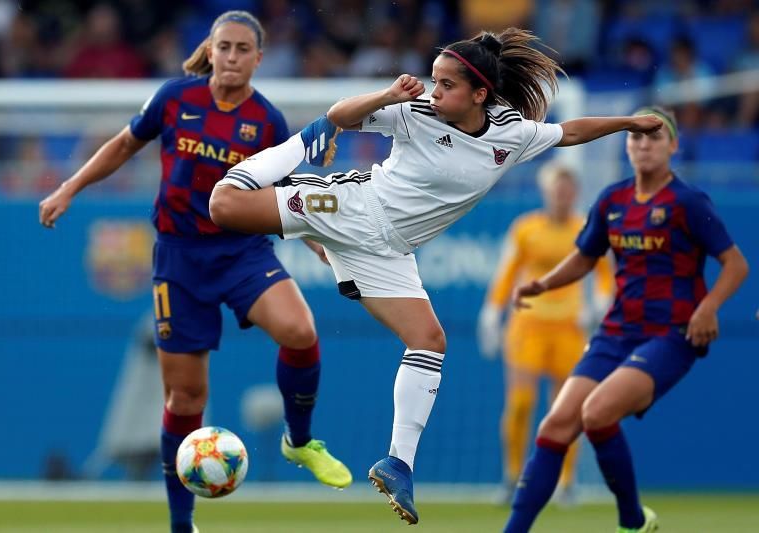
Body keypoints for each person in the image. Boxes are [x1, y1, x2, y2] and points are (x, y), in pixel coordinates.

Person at [208, 28, 664, 525]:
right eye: (433, 80)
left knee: (429, 340)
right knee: (224, 204)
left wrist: (629, 123)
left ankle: (398, 463)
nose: (434, 91)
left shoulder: (512, 135)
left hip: (391, 252)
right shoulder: (413, 111)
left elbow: (571, 131)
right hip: (352, 208)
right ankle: (297, 176)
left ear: (480, 94)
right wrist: (388, 94)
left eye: (446, 84)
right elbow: (340, 117)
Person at [38, 11, 351, 533]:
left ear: (257, 57)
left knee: (300, 331)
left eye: (241, 49)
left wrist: (317, 237)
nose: (231, 57)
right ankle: (181, 522)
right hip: (180, 260)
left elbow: (285, 189)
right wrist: (69, 187)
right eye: (223, 46)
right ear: (210, 49)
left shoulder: (267, 121)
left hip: (242, 254)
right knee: (186, 399)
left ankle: (298, 442)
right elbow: (122, 145)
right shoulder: (174, 99)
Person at [502, 106, 749, 533]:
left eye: (655, 136)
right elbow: (584, 257)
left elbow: (736, 264)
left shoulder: (687, 202)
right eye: (637, 136)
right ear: (626, 145)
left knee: (596, 413)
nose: (644, 143)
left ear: (673, 145)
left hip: (671, 335)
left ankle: (631, 520)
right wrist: (543, 284)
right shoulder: (613, 200)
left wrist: (708, 307)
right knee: (556, 424)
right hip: (616, 332)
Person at [477, 162, 613, 505]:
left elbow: (604, 276)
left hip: (570, 326)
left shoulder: (587, 228)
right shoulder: (525, 229)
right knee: (521, 403)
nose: (561, 195)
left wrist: (597, 306)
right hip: (527, 325)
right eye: (556, 189)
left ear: (575, 193)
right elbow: (506, 273)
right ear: (546, 192)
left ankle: (565, 483)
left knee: (565, 409)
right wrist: (492, 313)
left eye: (567, 189)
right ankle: (511, 477)